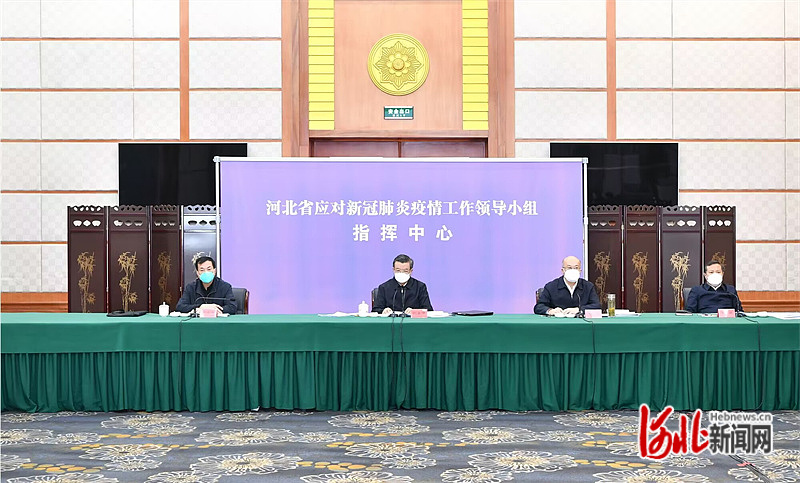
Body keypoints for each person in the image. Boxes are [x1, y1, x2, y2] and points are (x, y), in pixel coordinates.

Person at [534, 255, 601, 316]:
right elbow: (539, 307)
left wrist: (579, 309)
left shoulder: (588, 286)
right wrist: (550, 310)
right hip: (557, 323)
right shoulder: (551, 286)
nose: (573, 270)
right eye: (569, 268)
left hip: (581, 323)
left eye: (576, 268)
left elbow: (596, 306)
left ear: (580, 271)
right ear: (563, 270)